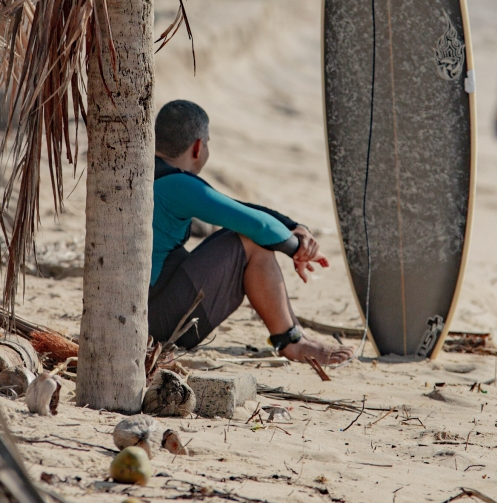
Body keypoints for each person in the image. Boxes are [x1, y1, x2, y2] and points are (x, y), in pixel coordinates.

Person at [148, 99, 353, 365]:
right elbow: (258, 226)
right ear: (198, 147)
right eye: (207, 142)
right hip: (156, 322)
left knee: (244, 234)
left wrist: (294, 227)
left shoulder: (146, 173)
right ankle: (293, 342)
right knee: (252, 241)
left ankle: (296, 336)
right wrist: (298, 249)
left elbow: (237, 209)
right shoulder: (177, 185)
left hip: (143, 311)